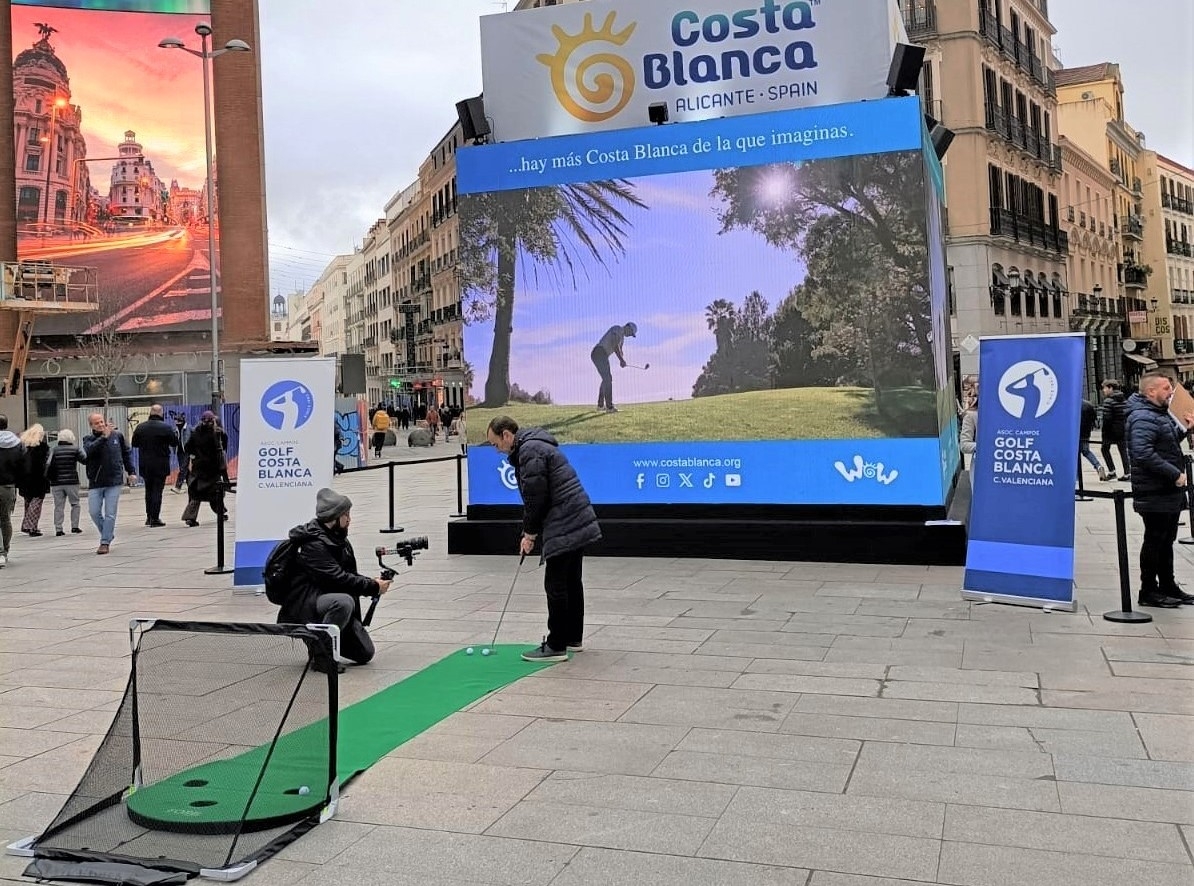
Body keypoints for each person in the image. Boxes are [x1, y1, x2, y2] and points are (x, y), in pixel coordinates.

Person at [486, 415, 602, 662]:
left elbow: (536, 498)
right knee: (571, 579)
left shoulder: (529, 451)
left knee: (556, 583)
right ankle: (573, 637)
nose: (497, 450)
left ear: (507, 435)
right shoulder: (534, 445)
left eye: (496, 444)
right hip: (575, 515)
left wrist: (529, 534)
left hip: (566, 519)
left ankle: (556, 644)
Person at [275, 488, 391, 670]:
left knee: (365, 653)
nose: (349, 520)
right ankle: (322, 654)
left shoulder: (337, 538)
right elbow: (337, 578)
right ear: (334, 518)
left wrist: (372, 582)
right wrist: (372, 587)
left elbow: (346, 573)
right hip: (305, 604)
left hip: (325, 598)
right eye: (346, 515)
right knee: (343, 602)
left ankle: (330, 637)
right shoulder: (313, 544)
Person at [1125, 371, 1194, 608]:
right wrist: (1174, 474)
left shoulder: (1158, 414)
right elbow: (1143, 452)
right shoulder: (1143, 416)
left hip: (1166, 492)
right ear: (1150, 391)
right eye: (1166, 388)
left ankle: (1168, 585)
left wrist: (1185, 429)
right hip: (1154, 491)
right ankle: (1148, 591)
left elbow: (1165, 442)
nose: (1171, 392)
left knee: (1166, 540)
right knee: (1155, 540)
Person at [82, 413, 136, 555]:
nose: (100, 424)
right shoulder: (88, 439)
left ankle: (104, 542)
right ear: (91, 426)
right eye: (96, 423)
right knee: (94, 512)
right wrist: (104, 437)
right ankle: (108, 533)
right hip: (96, 481)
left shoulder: (117, 436)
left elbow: (126, 454)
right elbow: (90, 450)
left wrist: (131, 471)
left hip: (114, 480)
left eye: (101, 421)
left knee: (110, 513)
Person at [131, 405, 180, 527]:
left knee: (148, 490)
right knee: (157, 491)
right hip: (160, 463)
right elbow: (175, 442)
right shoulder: (166, 427)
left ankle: (148, 517)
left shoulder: (140, 427)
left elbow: (134, 444)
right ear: (161, 413)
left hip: (145, 464)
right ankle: (155, 518)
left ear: (150, 413)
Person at [182, 411, 228, 527]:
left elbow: (188, 447)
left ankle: (190, 517)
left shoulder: (196, 433)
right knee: (215, 493)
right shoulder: (218, 433)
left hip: (199, 468)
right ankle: (221, 513)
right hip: (213, 468)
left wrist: (195, 456)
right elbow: (223, 449)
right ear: (213, 421)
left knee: (196, 495)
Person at [46, 428, 85, 537]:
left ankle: (58, 529)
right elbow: (85, 460)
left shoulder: (53, 449)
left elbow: (48, 463)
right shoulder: (75, 449)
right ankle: (75, 526)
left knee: (59, 506)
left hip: (56, 482)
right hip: (72, 481)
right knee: (75, 504)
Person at [590, 322, 637, 413]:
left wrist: (622, 358)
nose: (630, 335)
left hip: (601, 354)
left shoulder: (622, 338)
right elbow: (615, 344)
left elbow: (619, 349)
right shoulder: (618, 329)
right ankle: (609, 407)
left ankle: (600, 406)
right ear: (628, 327)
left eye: (632, 335)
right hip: (599, 352)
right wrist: (621, 360)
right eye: (631, 333)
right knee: (607, 379)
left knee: (606, 379)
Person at [0, 414, 26, 568]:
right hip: (9, 486)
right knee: (5, 519)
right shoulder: (17, 444)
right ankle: (5, 550)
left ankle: (0, 551)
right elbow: (23, 465)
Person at [18, 424, 50, 537]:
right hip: (38, 480)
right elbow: (46, 464)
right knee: (36, 504)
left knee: (28, 502)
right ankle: (31, 526)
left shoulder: (23, 446)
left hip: (25, 480)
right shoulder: (42, 447)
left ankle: (28, 526)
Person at [1099, 379, 1130, 481]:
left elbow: (1107, 419)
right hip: (1122, 429)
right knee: (1123, 451)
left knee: (1104, 449)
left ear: (1110, 388)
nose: (1103, 390)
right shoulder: (1124, 400)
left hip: (1110, 431)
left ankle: (1112, 471)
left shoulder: (1108, 401)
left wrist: (1104, 432)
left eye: (1105, 388)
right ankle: (1127, 473)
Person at [1078, 400, 1108, 481]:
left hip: (1075, 433)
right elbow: (1094, 419)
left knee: (1075, 456)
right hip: (1086, 433)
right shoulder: (1089, 405)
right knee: (1086, 452)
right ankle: (1098, 466)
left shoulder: (1072, 405)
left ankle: (1077, 477)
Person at [172, 414, 191, 493]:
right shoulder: (175, 429)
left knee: (183, 469)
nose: (176, 423)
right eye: (175, 421)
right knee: (185, 469)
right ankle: (191, 486)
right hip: (179, 452)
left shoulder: (189, 429)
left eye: (178, 421)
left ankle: (178, 486)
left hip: (186, 451)